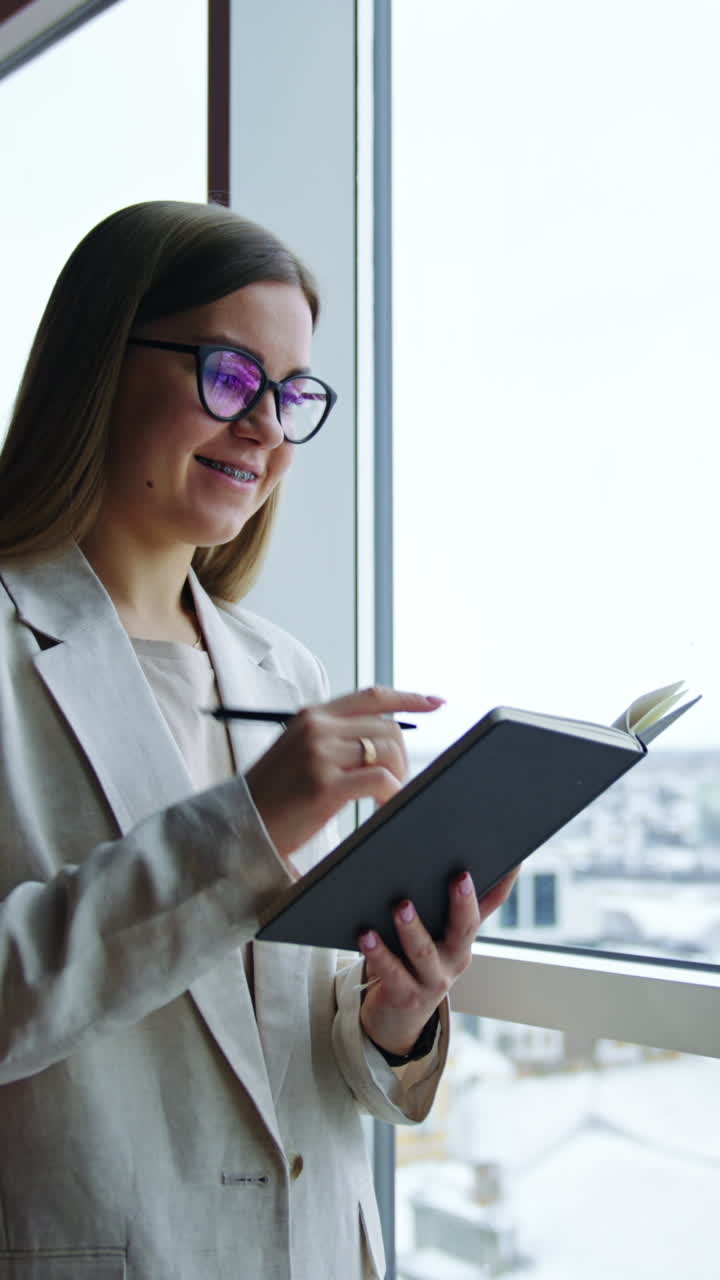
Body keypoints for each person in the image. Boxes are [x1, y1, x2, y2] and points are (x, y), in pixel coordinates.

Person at [0, 200, 516, 1280]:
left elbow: (285, 1044)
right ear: (103, 361)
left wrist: (393, 1016)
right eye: (230, 375)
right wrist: (247, 826)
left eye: (292, 395)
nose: (268, 427)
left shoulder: (288, 673)